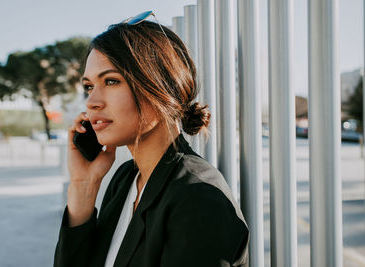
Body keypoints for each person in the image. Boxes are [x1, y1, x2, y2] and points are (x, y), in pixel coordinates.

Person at [54, 11, 249, 267]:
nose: (92, 102)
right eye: (89, 86)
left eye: (111, 81)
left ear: (160, 88)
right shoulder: (125, 178)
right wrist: (83, 186)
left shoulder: (198, 198)